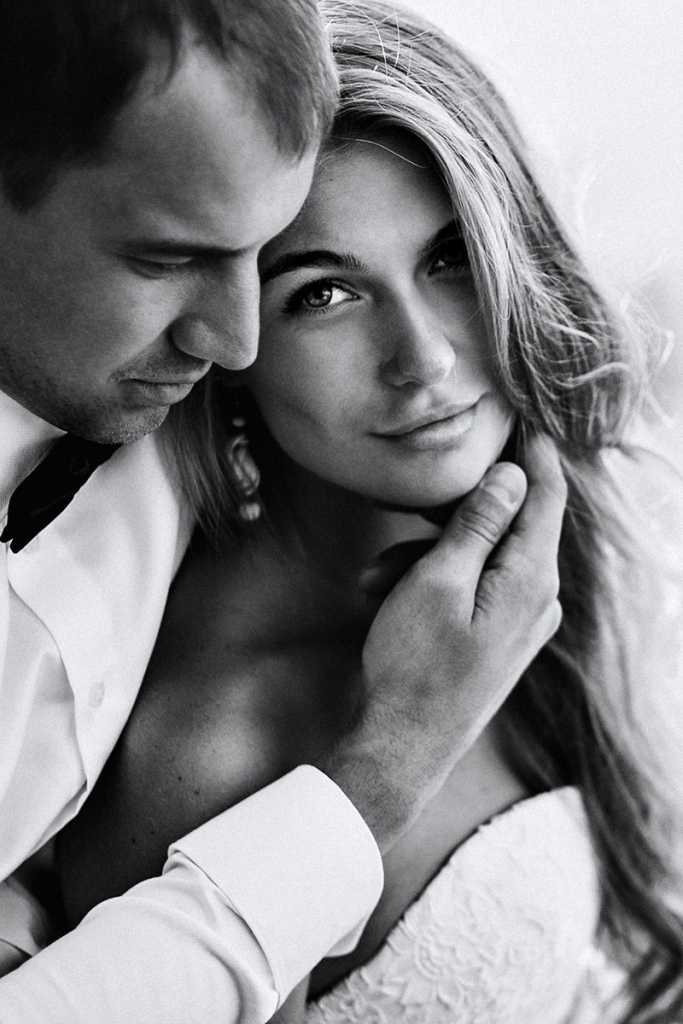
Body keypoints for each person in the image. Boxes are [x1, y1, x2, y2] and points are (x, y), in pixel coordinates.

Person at [55, 1, 683, 1022]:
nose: (422, 359)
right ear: (233, 346)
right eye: (322, 294)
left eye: (448, 259)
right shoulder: (221, 740)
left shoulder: (519, 579)